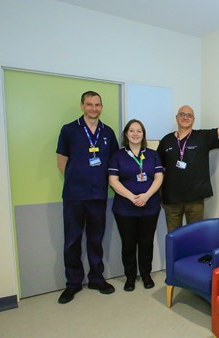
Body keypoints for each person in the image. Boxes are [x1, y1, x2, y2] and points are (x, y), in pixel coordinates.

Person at [56, 91, 119, 304]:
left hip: (98, 196)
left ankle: (96, 278)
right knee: (72, 240)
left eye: (97, 104)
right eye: (89, 104)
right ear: (82, 105)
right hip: (74, 196)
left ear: (102, 107)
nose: (94, 108)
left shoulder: (108, 133)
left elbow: (113, 165)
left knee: (95, 239)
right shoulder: (69, 130)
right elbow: (61, 161)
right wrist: (77, 181)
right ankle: (72, 284)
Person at [157, 102, 219, 232]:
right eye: (182, 114)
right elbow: (158, 169)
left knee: (196, 235)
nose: (185, 117)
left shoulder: (202, 137)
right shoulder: (166, 140)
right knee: (173, 236)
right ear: (176, 118)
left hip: (195, 199)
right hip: (171, 199)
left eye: (189, 115)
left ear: (193, 119)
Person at [108, 119, 164, 291]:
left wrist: (146, 196)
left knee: (146, 243)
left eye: (139, 131)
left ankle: (146, 274)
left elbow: (159, 177)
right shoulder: (117, 156)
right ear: (126, 134)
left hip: (150, 206)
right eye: (131, 130)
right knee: (128, 243)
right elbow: (113, 180)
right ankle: (130, 277)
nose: (135, 134)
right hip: (125, 209)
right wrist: (132, 197)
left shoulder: (153, 154)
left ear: (143, 134)